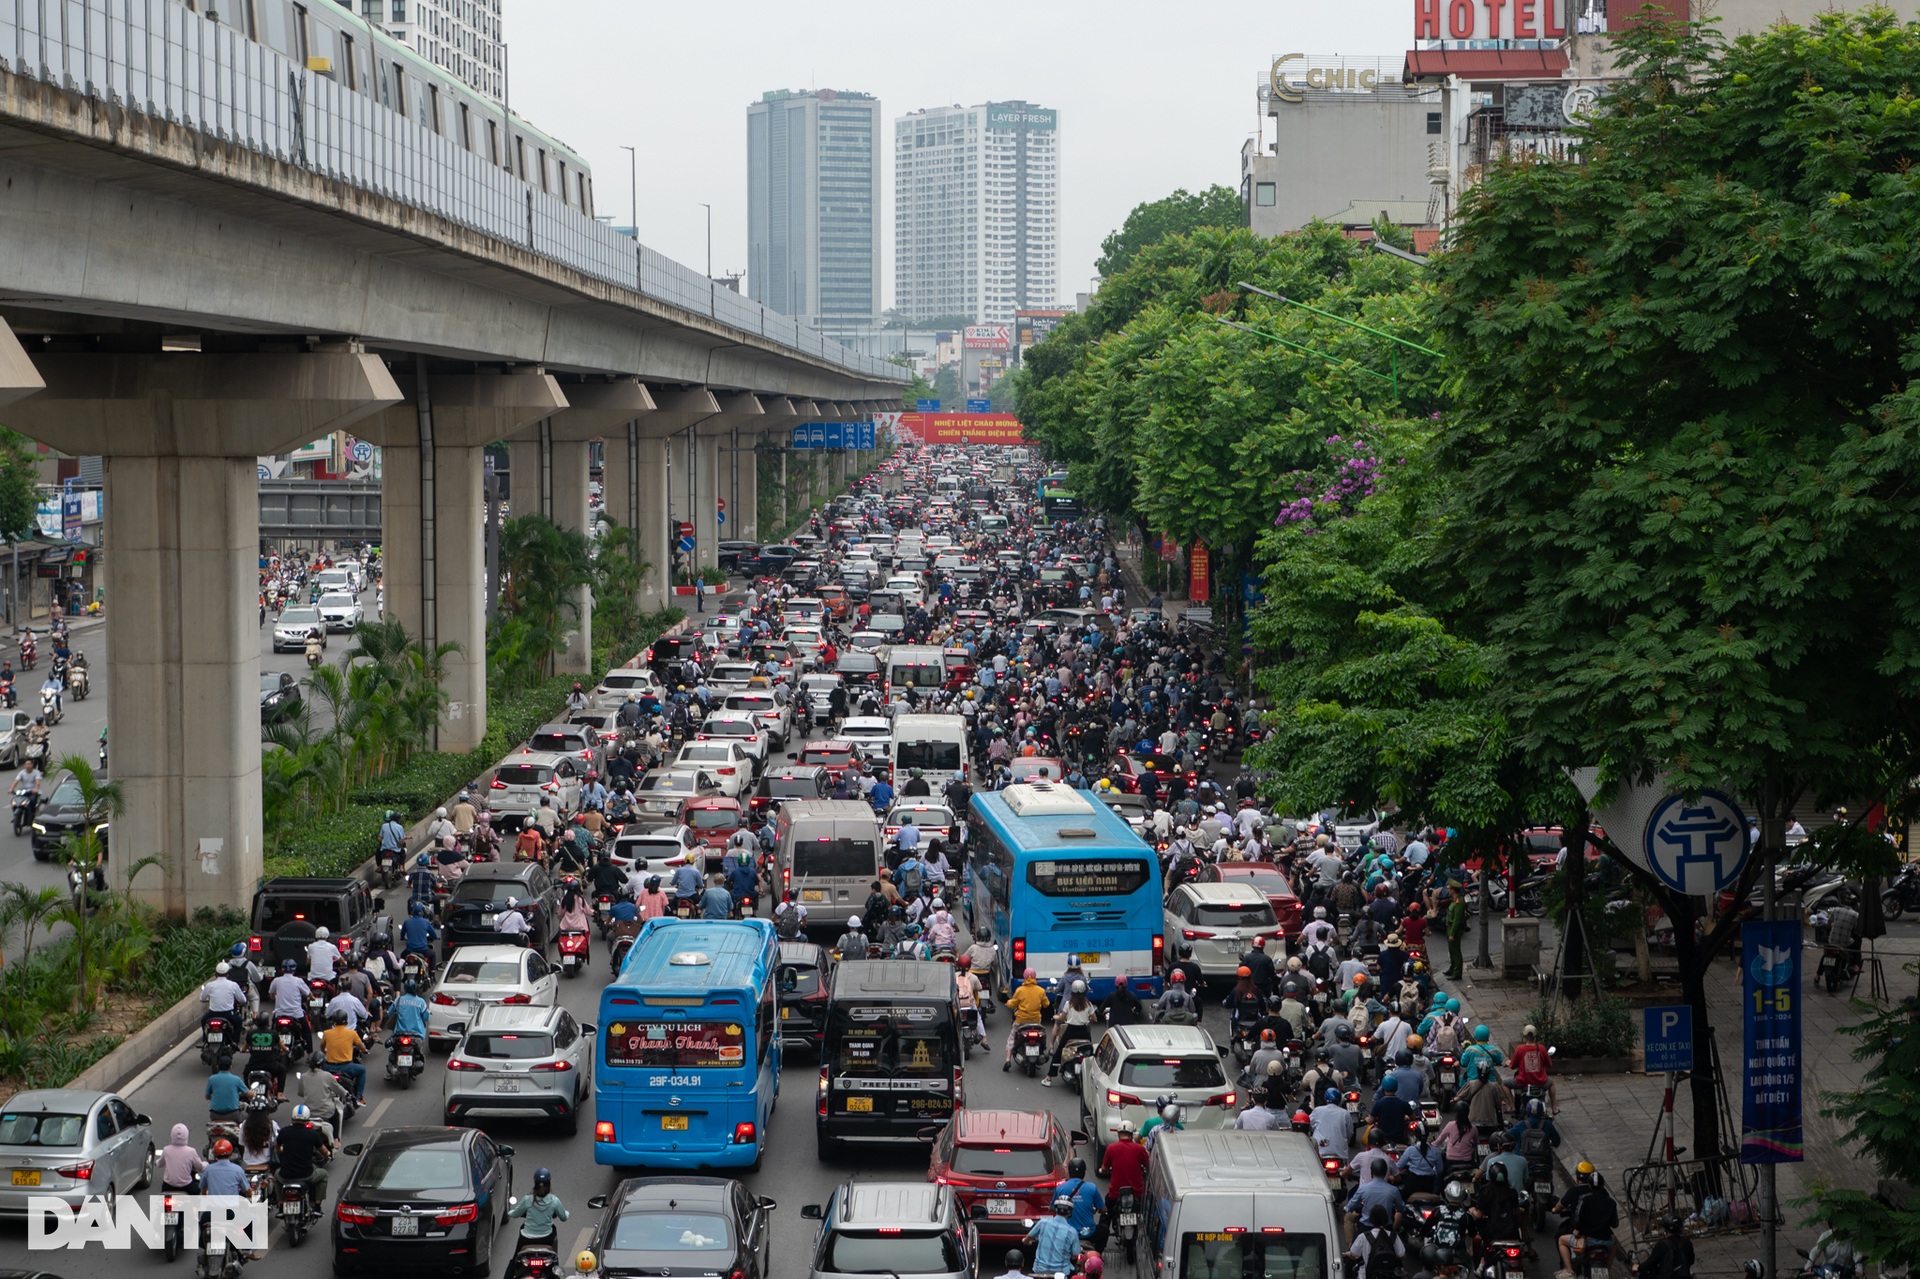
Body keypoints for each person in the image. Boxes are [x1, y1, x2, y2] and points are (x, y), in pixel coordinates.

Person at [1555, 1164, 1619, 1278]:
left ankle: (1569, 1271)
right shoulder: (1611, 1202)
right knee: (1615, 1243)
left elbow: (1577, 1219)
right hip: (1605, 1241)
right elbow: (1615, 1224)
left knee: (1561, 1240)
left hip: (1586, 1241)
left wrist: (1577, 1229)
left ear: (1589, 1185)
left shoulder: (1584, 1199)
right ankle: (1608, 1271)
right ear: (1603, 1186)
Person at [273, 1105, 333, 1207]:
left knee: (275, 1175)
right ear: (307, 1119)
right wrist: (328, 1154)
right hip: (307, 1175)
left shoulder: (284, 1132)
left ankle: (280, 1202)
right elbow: (323, 1150)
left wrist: (282, 1150)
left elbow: (277, 1148)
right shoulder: (312, 1134)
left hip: (285, 1175)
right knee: (323, 1175)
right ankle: (317, 1205)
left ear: (292, 1118)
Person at [507, 1167, 571, 1251]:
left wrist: (509, 1212)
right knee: (554, 1230)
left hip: (526, 1239)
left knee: (516, 1259)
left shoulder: (528, 1199)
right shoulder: (554, 1201)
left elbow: (515, 1214)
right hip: (547, 1239)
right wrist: (567, 1213)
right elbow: (564, 1218)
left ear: (535, 1183)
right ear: (549, 1183)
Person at [1343, 1161, 1406, 1244]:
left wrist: (1347, 1208)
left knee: (1352, 1254)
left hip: (1366, 1227)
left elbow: (1350, 1206)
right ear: (1385, 1173)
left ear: (1371, 1172)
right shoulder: (1394, 1190)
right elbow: (1401, 1208)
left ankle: (1350, 1247)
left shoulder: (1363, 1189)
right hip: (1387, 1228)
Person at [1004, 968, 1051, 1070]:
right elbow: (1046, 1004)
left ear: (1024, 978)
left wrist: (1007, 1002)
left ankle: (1007, 1060)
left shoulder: (1020, 990)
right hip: (1036, 1022)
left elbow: (1013, 1004)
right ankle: (1040, 1052)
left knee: (1011, 1039)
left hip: (1021, 1021)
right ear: (1035, 977)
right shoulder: (1041, 991)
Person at [318, 1010, 367, 1102]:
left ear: (333, 1022)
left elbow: (322, 1047)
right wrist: (365, 1050)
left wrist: (325, 1051)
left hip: (328, 1067)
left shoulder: (327, 1033)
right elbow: (362, 1047)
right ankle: (359, 1096)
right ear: (346, 1021)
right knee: (362, 1070)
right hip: (346, 1067)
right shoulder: (352, 1033)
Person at [1025, 1199, 1082, 1277]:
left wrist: (1027, 1242)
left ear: (1055, 1210)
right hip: (1062, 1273)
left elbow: (1027, 1238)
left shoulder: (1043, 1223)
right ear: (1069, 1213)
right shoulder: (1072, 1232)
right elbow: (1075, 1255)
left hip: (1039, 1271)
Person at [1055, 1157, 1105, 1245]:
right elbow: (1103, 1209)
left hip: (1066, 1233)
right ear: (1084, 1172)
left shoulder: (1060, 1188)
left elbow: (1053, 1208)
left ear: (1069, 1172)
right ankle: (1097, 1253)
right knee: (1104, 1230)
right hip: (1088, 1234)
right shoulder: (1092, 1187)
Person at [1349, 1204, 1407, 1279]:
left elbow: (1353, 1255)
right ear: (1386, 1218)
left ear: (1371, 1219)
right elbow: (1402, 1255)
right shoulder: (1394, 1236)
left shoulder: (1363, 1237)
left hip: (1367, 1276)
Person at [1509, 1024, 1557, 1113]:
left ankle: (1512, 1106)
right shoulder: (1542, 1049)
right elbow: (1549, 1064)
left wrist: (1509, 1063)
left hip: (1522, 1082)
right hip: (1541, 1082)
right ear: (1535, 1037)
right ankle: (1554, 1108)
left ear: (1524, 1036)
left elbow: (1512, 1066)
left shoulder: (1520, 1049)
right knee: (1552, 1083)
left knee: (1504, 1084)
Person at [1098, 1120, 1150, 1198]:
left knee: (1108, 1202)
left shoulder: (1111, 1148)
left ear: (1118, 1134)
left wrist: (1103, 1170)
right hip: (1137, 1193)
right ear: (1132, 1135)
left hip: (1116, 1193)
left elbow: (1105, 1168)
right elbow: (1148, 1165)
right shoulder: (1140, 1149)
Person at [200, 961, 250, 1040]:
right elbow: (243, 1000)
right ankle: (235, 1042)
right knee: (238, 1021)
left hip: (212, 1014)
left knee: (203, 1021)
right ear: (228, 974)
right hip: (228, 1015)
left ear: (216, 974)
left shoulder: (210, 985)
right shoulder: (233, 985)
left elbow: (202, 998)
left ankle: (205, 1039)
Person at [159, 1122, 206, 1194]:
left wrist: (156, 1163)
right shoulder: (191, 1151)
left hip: (168, 1185)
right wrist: (206, 1164)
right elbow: (200, 1167)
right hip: (186, 1185)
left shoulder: (166, 1150)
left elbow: (160, 1163)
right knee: (197, 1193)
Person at [1310, 1087, 1354, 1160]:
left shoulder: (1318, 1110)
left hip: (1320, 1152)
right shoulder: (1345, 1114)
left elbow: (1310, 1125)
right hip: (1341, 1154)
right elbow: (1350, 1133)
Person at [206, 1057, 247, 1124]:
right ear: (230, 1067)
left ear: (217, 1067)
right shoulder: (236, 1079)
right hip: (233, 1115)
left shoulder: (212, 1079)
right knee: (246, 1115)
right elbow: (249, 1094)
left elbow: (207, 1096)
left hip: (215, 1116)